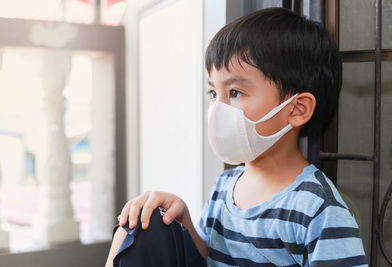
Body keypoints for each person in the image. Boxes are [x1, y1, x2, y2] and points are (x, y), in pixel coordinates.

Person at [107, 7, 368, 267]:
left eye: (235, 92)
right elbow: (209, 257)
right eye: (213, 93)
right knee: (138, 226)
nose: (218, 108)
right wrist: (183, 218)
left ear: (297, 109)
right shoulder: (225, 185)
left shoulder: (318, 207)